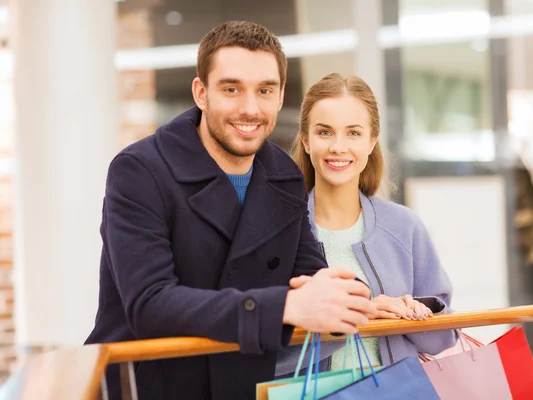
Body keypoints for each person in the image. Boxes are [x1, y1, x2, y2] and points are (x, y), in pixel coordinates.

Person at [85, 22, 377, 400]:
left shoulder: (283, 175)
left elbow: (307, 274)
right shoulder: (139, 170)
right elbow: (150, 304)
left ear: (280, 95)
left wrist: (353, 296)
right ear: (201, 93)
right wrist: (287, 306)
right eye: (231, 89)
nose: (250, 108)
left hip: (241, 384)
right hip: (147, 385)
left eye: (265, 91)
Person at [276, 73, 457, 376]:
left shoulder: (404, 226)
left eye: (353, 133)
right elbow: (260, 350)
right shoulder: (275, 230)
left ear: (372, 141)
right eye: (324, 133)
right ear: (306, 140)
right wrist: (360, 316)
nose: (338, 146)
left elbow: (444, 336)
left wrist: (411, 313)